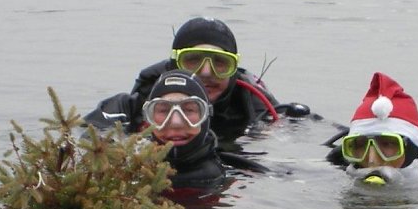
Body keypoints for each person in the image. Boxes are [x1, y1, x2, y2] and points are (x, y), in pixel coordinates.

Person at [84, 17, 307, 143]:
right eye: (193, 61)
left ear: (234, 69)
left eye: (220, 63)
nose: (206, 73)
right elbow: (86, 139)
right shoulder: (133, 104)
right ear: (172, 65)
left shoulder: (253, 106)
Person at [326, 72, 418, 189]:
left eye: (387, 144)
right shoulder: (334, 178)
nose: (371, 160)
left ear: (411, 150)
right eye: (360, 145)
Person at [139, 69, 227, 195]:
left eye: (189, 110)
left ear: (206, 116)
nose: (176, 123)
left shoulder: (232, 179)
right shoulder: (127, 169)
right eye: (163, 110)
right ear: (148, 117)